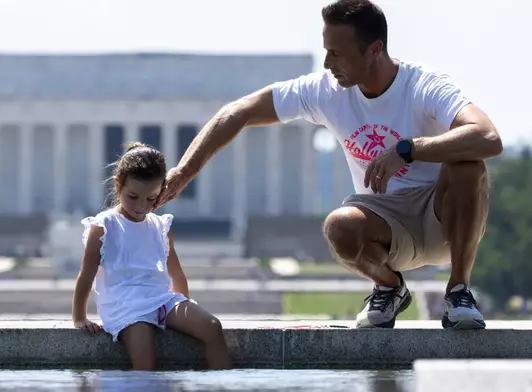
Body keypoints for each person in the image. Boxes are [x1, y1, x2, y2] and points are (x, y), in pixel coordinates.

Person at [155, 0, 502, 330]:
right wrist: (185, 171)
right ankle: (389, 288)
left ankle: (459, 291)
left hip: (440, 215)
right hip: (385, 223)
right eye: (325, 49)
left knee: (468, 165)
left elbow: (488, 137)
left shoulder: (423, 84)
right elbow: (239, 111)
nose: (326, 63)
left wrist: (409, 149)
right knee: (339, 226)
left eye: (336, 53)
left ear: (374, 50)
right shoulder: (325, 90)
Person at [72, 142, 232, 370]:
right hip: (125, 304)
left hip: (160, 298)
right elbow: (86, 276)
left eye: (151, 199)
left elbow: (176, 274)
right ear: (118, 185)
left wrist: (182, 311)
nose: (141, 206)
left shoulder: (160, 225)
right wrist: (80, 318)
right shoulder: (104, 226)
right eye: (133, 196)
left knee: (212, 327)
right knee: (145, 364)